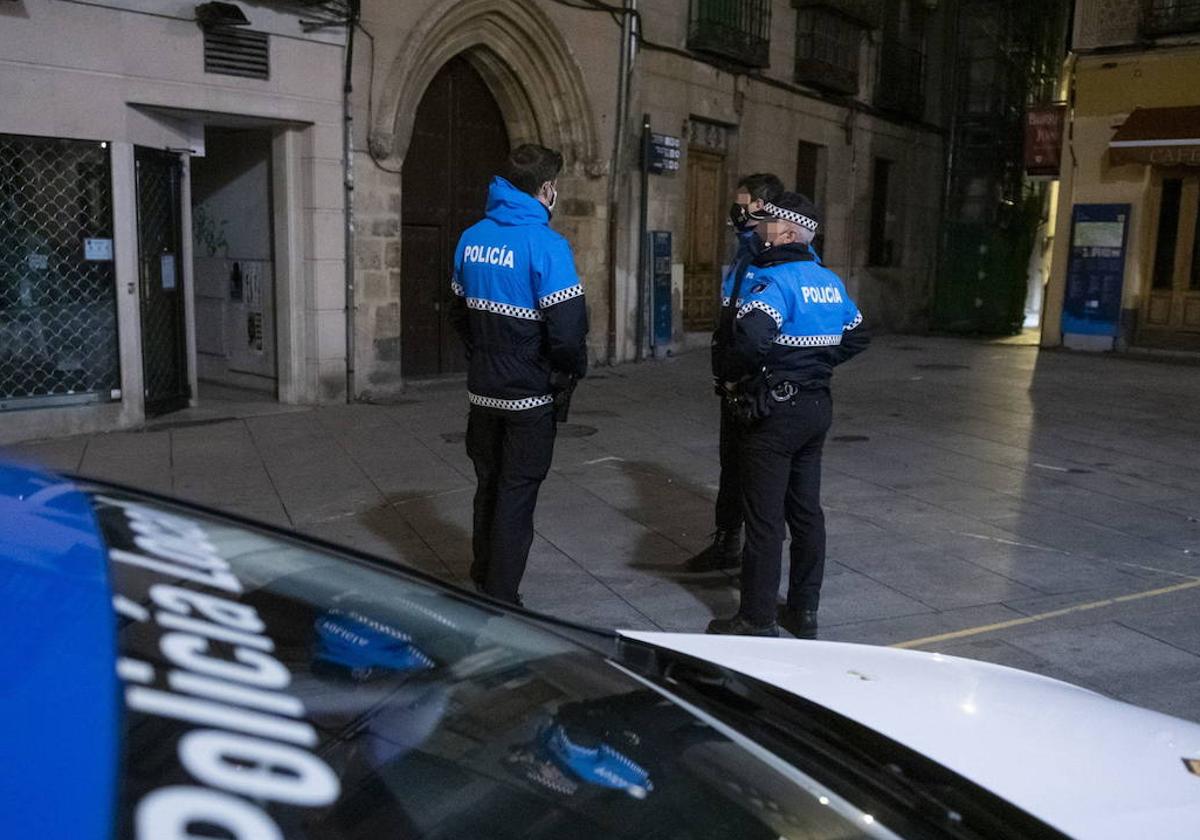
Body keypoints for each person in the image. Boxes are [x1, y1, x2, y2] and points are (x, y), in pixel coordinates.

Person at [706, 192, 868, 638]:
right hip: (816, 407)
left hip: (774, 414)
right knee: (806, 512)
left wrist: (744, 378)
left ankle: (756, 619)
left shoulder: (775, 283)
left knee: (763, 519)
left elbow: (752, 339)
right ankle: (803, 610)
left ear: (789, 233)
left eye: (769, 222)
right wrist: (814, 365)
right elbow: (858, 336)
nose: (761, 228)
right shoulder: (829, 282)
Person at [449, 143, 588, 605]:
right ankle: (502, 594)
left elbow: (457, 311)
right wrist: (563, 372)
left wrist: (482, 356)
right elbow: (568, 331)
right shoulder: (547, 245)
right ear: (546, 188)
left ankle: (481, 570)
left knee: (487, 481)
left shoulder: (471, 237)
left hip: (483, 389)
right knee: (517, 490)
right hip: (529, 394)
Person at [684, 173, 784, 573]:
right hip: (733, 381)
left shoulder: (777, 257)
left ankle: (757, 566)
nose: (736, 211)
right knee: (731, 465)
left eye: (744, 204)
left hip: (759, 383)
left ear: (765, 208)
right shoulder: (745, 252)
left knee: (757, 474)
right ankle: (727, 542)